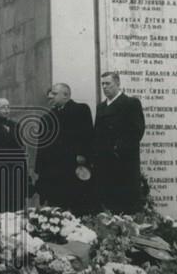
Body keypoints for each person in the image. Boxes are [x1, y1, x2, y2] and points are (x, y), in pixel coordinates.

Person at [34, 83, 94, 214]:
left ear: (66, 95)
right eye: (50, 94)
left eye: (54, 93)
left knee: (76, 210)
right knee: (55, 211)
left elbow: (88, 136)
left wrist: (83, 155)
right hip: (52, 174)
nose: (50, 96)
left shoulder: (80, 110)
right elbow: (41, 147)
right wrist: (39, 170)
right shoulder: (46, 117)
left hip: (73, 169)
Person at [92, 70, 146, 214]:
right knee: (107, 203)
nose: (104, 87)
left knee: (125, 204)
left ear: (117, 83)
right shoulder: (101, 107)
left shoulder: (130, 103)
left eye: (108, 83)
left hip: (123, 163)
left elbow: (137, 131)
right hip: (104, 163)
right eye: (102, 84)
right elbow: (97, 134)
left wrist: (118, 149)